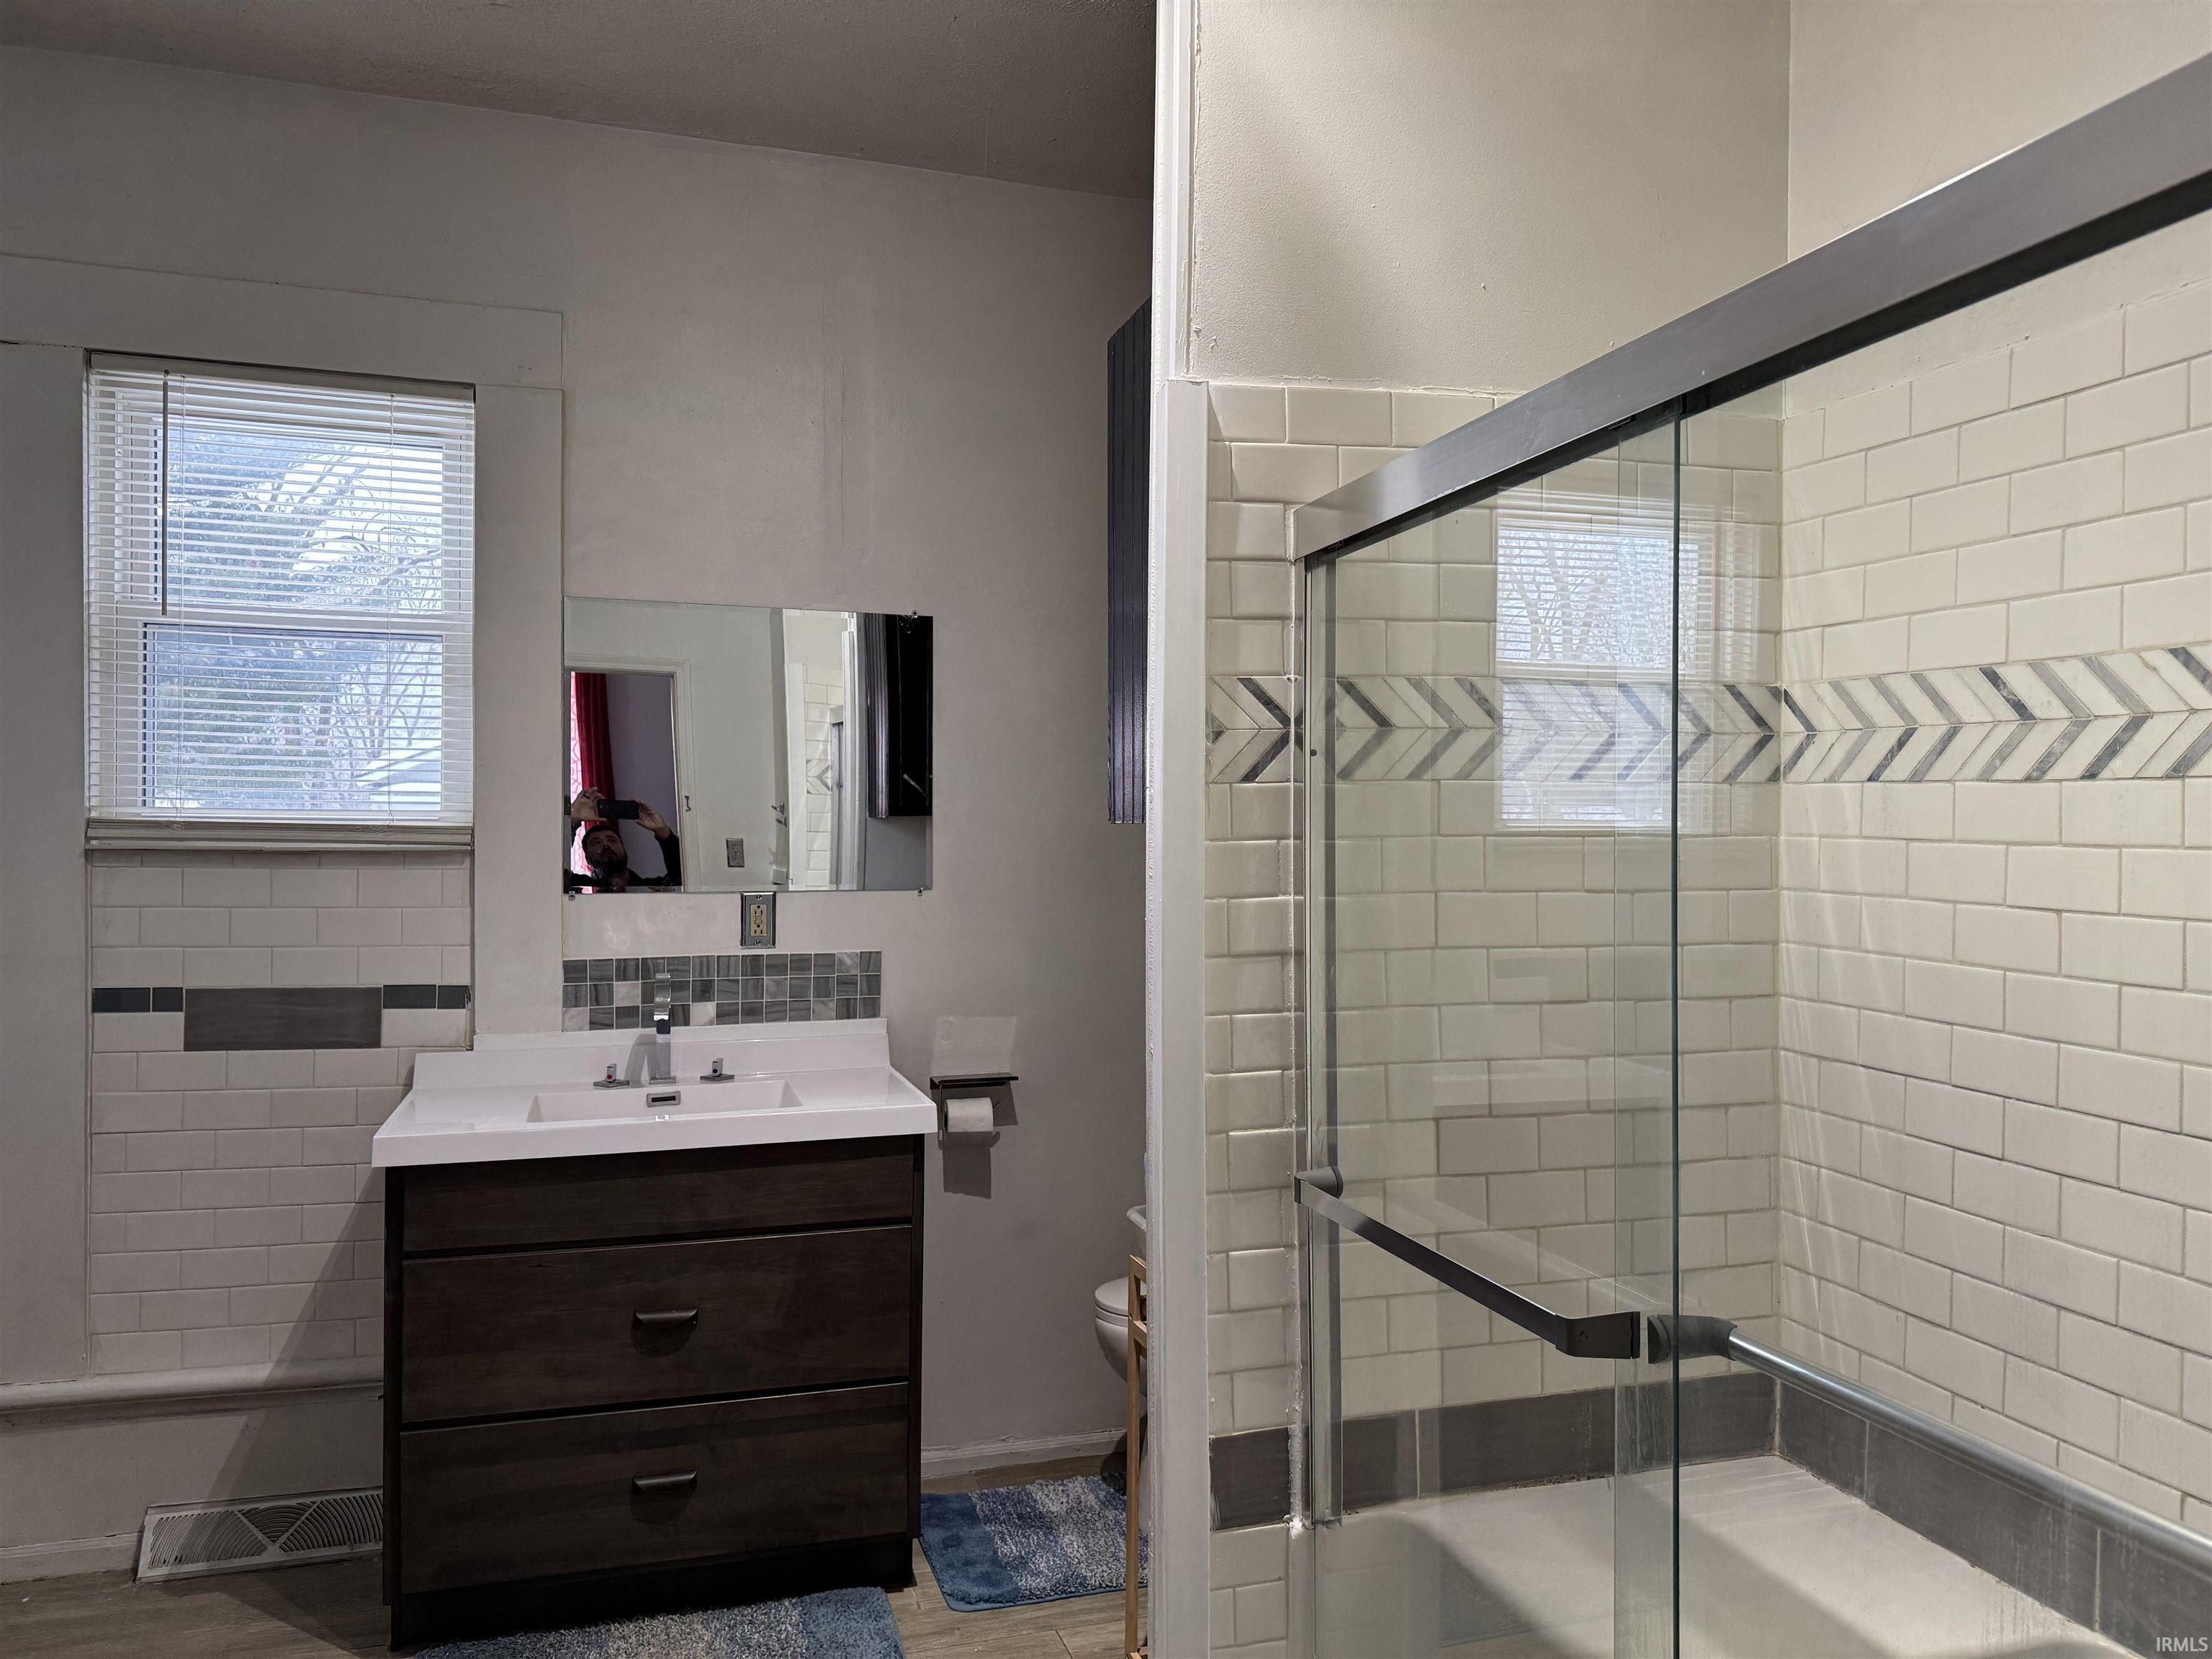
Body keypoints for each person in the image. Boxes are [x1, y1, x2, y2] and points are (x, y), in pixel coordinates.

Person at [565, 788, 683, 893]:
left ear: (624, 850)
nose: (606, 845)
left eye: (612, 840)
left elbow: (682, 878)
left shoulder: (650, 888)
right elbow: (552, 873)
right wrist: (573, 821)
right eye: (596, 843)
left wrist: (662, 831)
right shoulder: (580, 889)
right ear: (587, 858)